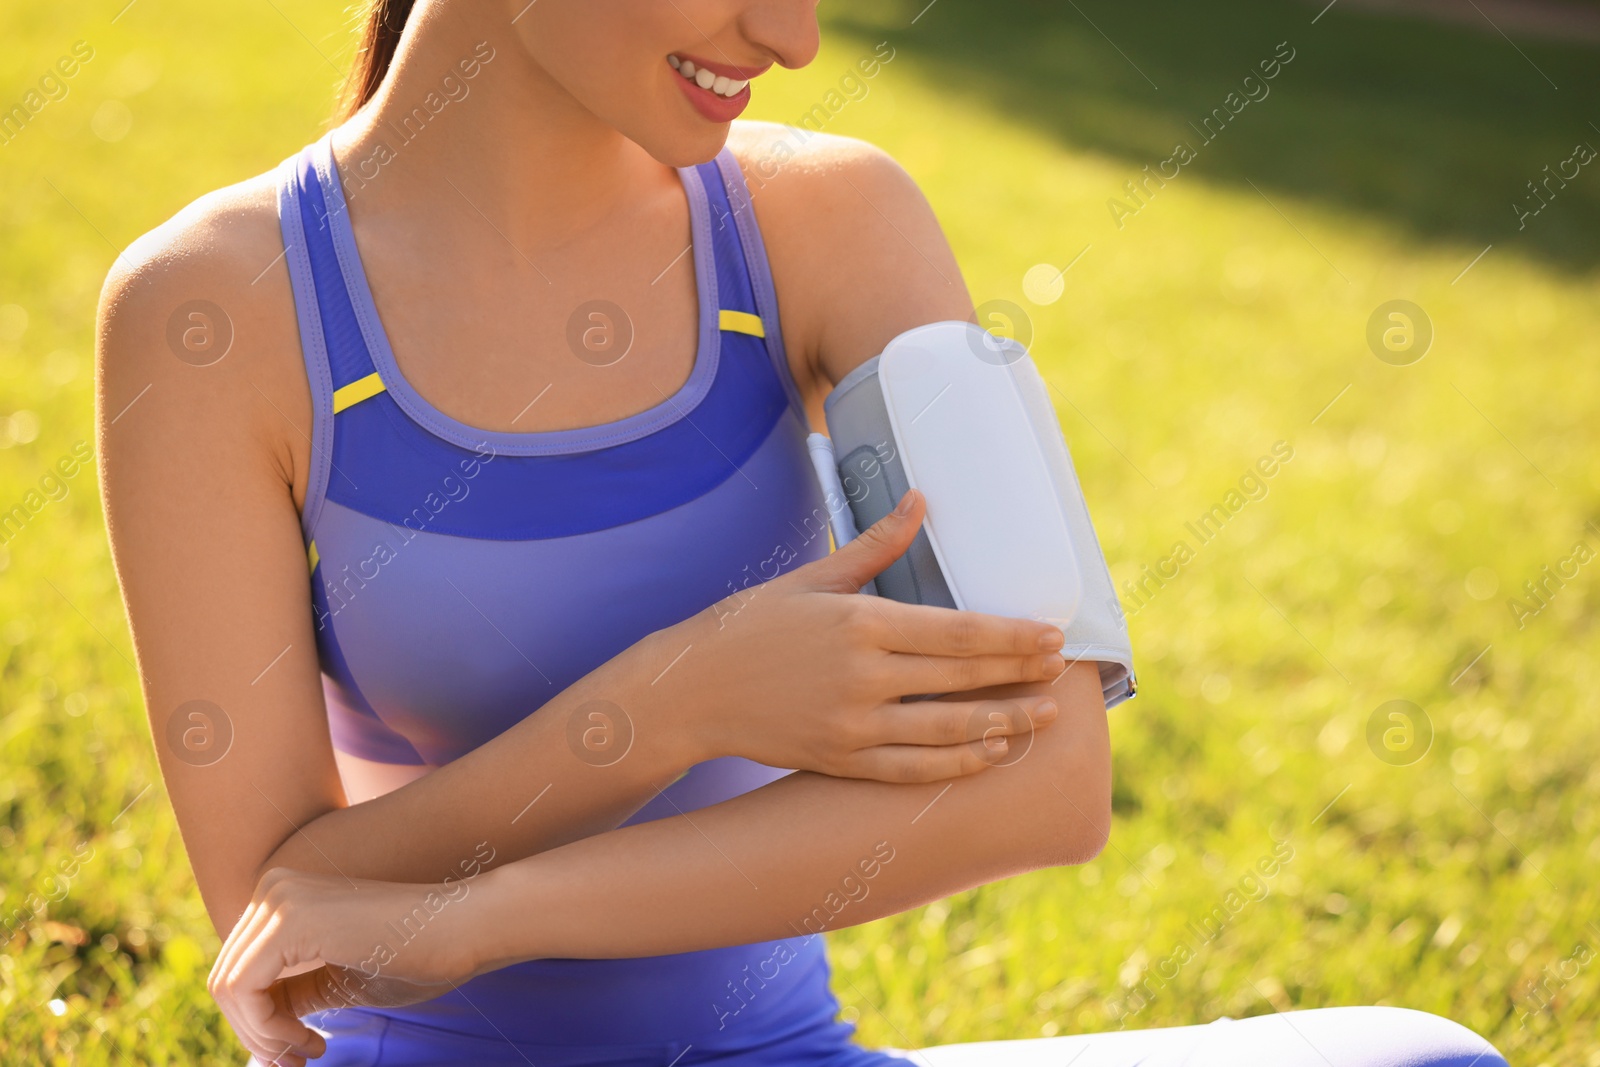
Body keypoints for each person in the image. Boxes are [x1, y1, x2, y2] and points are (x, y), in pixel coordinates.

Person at [95, 2, 1508, 1065]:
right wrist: (662, 708)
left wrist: (489, 917)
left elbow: (1049, 778)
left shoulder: (832, 218)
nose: (794, 33)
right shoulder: (214, 310)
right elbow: (282, 919)